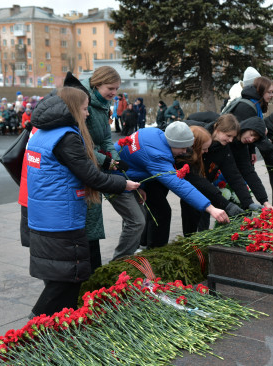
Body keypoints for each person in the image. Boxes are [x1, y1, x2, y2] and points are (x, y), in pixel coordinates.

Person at [26, 87, 131, 318]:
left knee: (58, 275)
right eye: (84, 109)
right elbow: (90, 176)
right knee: (70, 277)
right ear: (73, 108)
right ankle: (36, 324)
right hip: (62, 217)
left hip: (44, 215)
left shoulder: (43, 132)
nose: (87, 114)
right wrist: (123, 184)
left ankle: (59, 324)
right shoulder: (66, 137)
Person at [114, 121, 230, 250]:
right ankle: (136, 256)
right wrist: (211, 208)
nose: (185, 152)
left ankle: (141, 250)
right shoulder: (158, 155)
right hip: (116, 180)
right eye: (183, 148)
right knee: (137, 221)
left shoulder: (155, 133)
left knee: (141, 218)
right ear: (174, 143)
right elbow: (180, 186)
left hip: (130, 180)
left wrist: (141, 186)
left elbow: (138, 161)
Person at [80, 66, 128, 273]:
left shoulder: (103, 104)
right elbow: (80, 143)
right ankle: (88, 272)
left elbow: (106, 138)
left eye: (117, 89)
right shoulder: (84, 103)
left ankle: (94, 270)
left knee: (93, 219)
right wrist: (104, 160)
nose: (114, 93)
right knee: (89, 219)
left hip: (97, 164)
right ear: (97, 84)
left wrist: (114, 158)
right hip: (86, 167)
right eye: (111, 88)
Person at [177, 126, 244, 236]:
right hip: (186, 192)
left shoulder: (195, 154)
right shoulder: (184, 158)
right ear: (195, 147)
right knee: (188, 218)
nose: (207, 151)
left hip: (194, 192)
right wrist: (226, 204)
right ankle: (189, 240)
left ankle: (193, 238)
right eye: (204, 149)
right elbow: (198, 181)